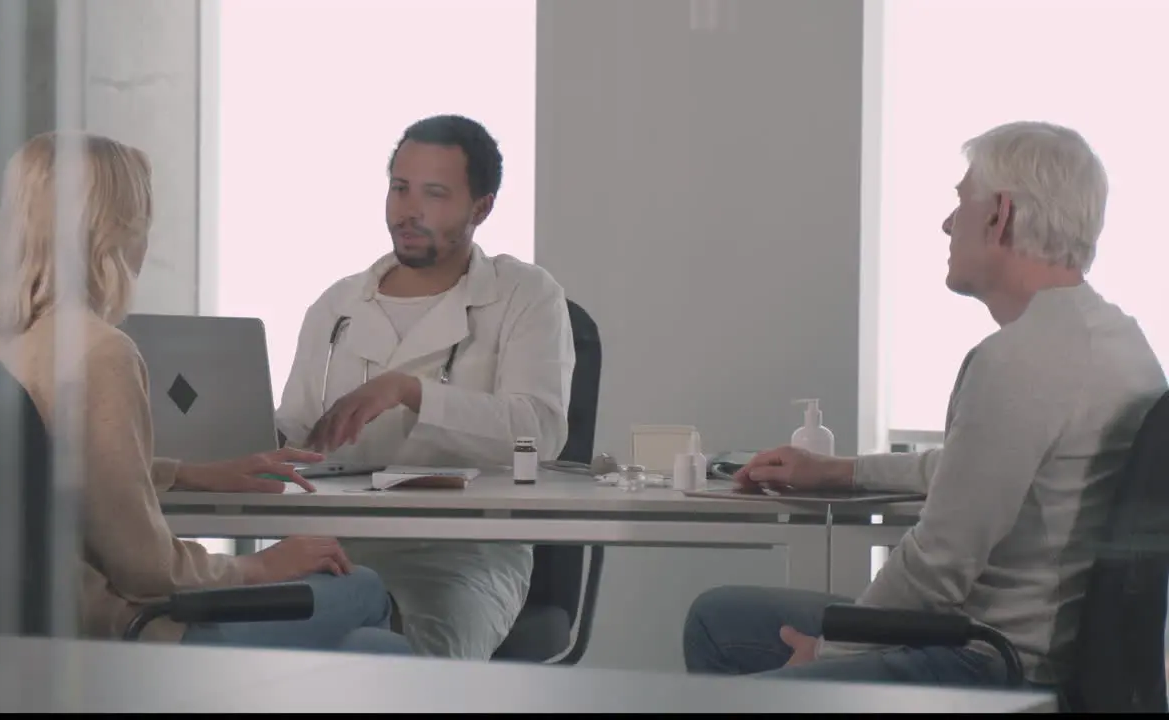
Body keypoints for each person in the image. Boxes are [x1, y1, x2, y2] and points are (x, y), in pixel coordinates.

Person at [683, 121, 1167, 687]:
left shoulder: (1016, 363)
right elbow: (975, 471)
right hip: (1041, 652)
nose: (946, 223)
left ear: (999, 215)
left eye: (960, 203)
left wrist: (829, 650)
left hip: (990, 662)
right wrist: (840, 472)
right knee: (718, 620)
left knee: (728, 690)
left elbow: (938, 567)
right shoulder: (1122, 342)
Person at [0, 131, 412, 655]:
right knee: (364, 589)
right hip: (129, 629)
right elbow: (146, 570)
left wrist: (188, 473)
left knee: (372, 649)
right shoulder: (102, 352)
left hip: (39, 630)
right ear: (116, 229)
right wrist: (259, 565)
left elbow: (55, 468)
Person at [275, 114, 575, 659]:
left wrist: (409, 391)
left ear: (481, 208)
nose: (407, 211)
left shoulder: (525, 295)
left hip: (462, 553)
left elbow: (540, 430)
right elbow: (296, 430)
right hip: (334, 541)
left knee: (397, 663)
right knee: (237, 645)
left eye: (434, 194)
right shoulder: (337, 305)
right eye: (399, 188)